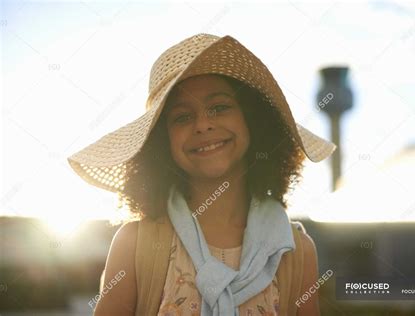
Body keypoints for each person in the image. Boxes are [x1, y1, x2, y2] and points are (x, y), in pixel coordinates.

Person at [67, 33, 336, 316]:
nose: (203, 125)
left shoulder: (295, 252)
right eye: (182, 117)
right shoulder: (134, 245)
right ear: (162, 142)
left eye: (219, 107)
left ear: (252, 121)